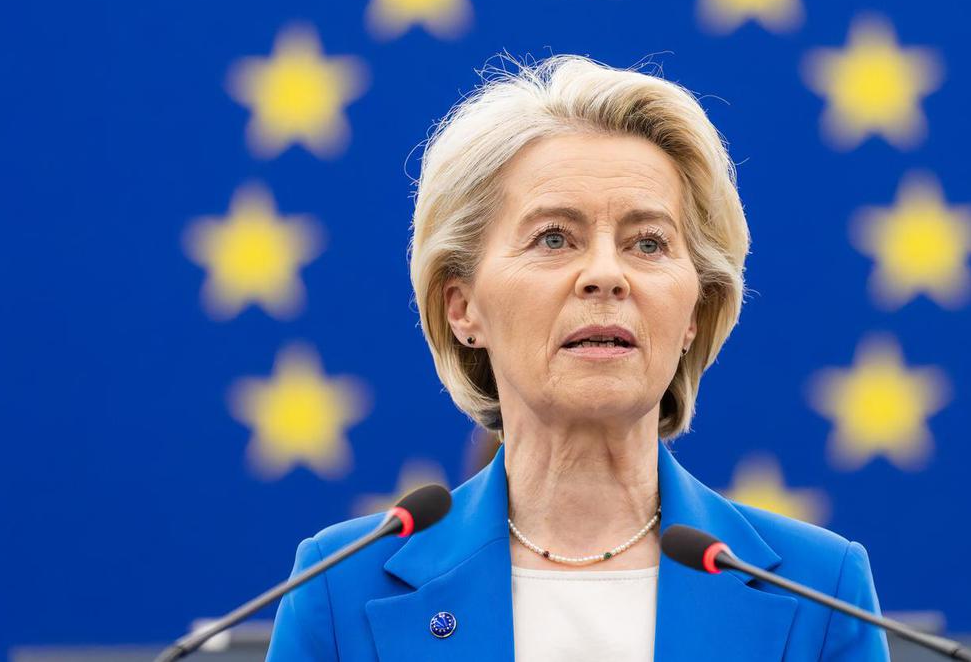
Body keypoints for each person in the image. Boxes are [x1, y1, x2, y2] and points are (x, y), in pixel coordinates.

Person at [266, 54, 889, 661]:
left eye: (648, 243)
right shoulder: (340, 589)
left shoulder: (820, 591)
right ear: (462, 307)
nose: (605, 275)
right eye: (554, 238)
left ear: (694, 313)